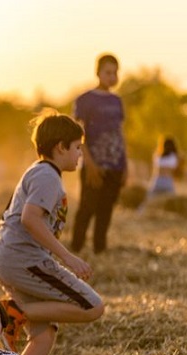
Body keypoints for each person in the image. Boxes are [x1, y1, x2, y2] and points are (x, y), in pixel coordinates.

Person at [0, 111, 105, 355]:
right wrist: (67, 257)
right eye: (77, 148)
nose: (80, 155)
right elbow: (31, 219)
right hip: (23, 260)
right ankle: (11, 312)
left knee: (43, 336)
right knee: (93, 307)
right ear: (60, 147)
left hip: (7, 258)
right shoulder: (47, 176)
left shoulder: (41, 173)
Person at [70, 53, 127, 255]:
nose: (112, 77)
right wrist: (90, 163)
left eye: (115, 73)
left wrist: (125, 165)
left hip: (115, 165)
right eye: (108, 72)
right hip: (94, 164)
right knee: (87, 208)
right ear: (98, 73)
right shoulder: (85, 100)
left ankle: (100, 250)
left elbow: (120, 133)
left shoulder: (117, 101)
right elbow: (79, 134)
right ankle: (75, 249)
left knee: (106, 211)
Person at [138, 136, 181, 212]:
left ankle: (140, 213)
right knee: (171, 202)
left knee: (148, 200)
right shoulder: (174, 157)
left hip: (157, 180)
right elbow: (175, 170)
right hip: (168, 181)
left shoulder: (157, 156)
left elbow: (155, 170)